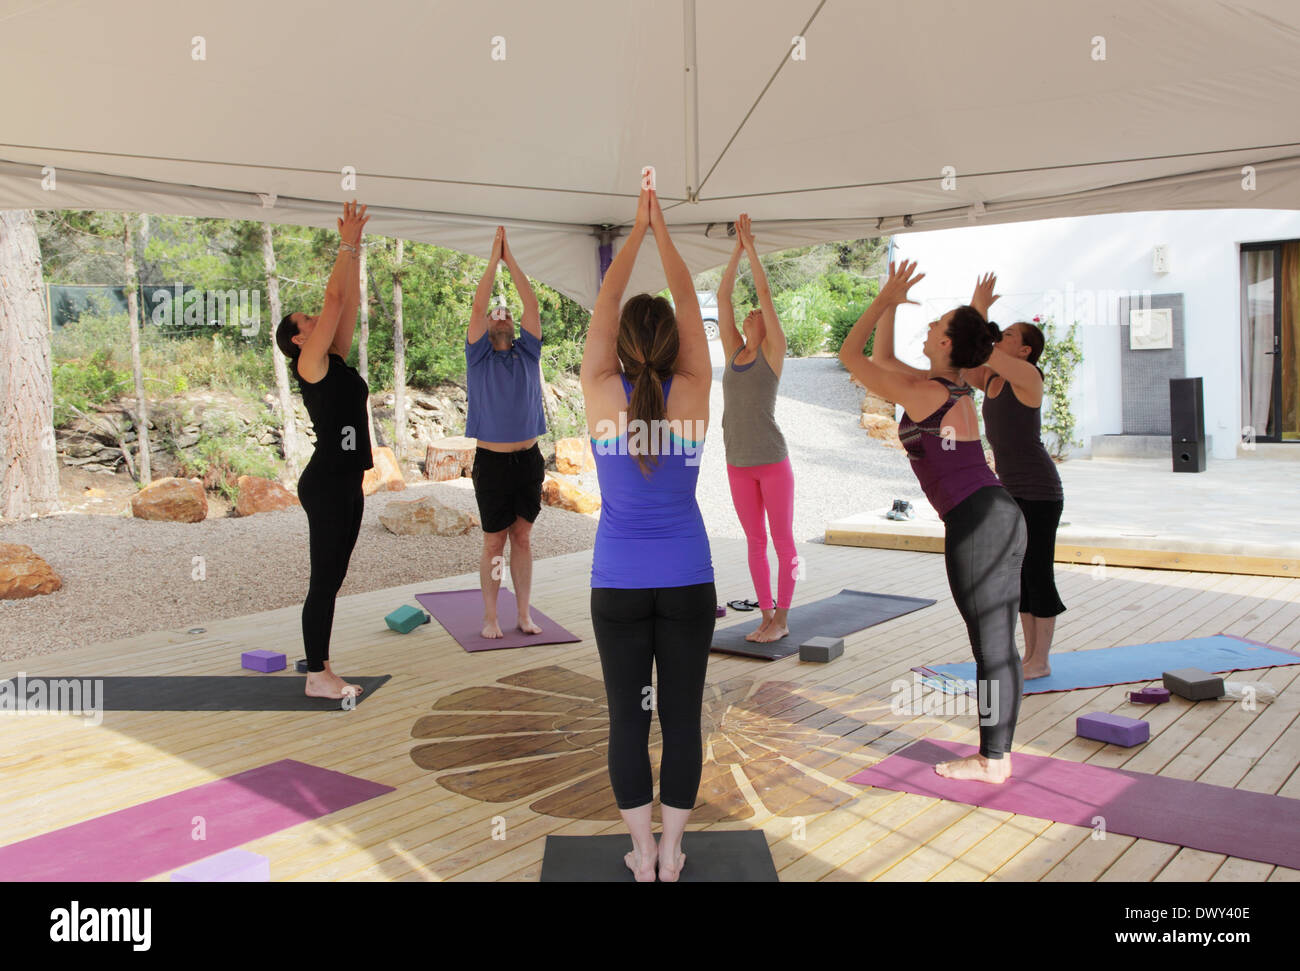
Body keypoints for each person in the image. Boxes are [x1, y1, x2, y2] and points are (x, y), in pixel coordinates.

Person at [838, 261, 1026, 784]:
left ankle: (992, 760)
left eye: (935, 325)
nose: (928, 328)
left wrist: (882, 301)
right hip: (997, 516)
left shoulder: (928, 393)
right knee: (996, 642)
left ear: (946, 345)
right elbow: (879, 357)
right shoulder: (945, 384)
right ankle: (997, 755)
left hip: (979, 523)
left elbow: (851, 356)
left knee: (990, 644)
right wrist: (894, 306)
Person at [581, 183, 715, 880]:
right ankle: (673, 848)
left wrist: (633, 231)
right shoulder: (695, 388)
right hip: (689, 582)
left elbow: (606, 305)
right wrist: (663, 233)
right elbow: (689, 302)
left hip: (620, 587)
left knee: (629, 720)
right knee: (682, 719)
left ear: (625, 345)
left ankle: (640, 852)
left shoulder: (601, 389)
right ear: (670, 343)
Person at [274, 200, 371, 701]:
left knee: (332, 580)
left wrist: (355, 256)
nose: (317, 317)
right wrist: (346, 243)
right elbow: (333, 301)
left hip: (345, 482)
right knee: (324, 581)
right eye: (307, 319)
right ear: (297, 339)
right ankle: (318, 675)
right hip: (329, 483)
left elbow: (345, 304)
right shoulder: (308, 367)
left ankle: (318, 662)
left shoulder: (333, 358)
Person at [963, 275, 1066, 680]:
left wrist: (979, 307)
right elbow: (972, 354)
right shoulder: (992, 380)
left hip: (1040, 491)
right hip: (1009, 491)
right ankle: (1030, 656)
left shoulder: (1029, 378)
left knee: (1039, 571)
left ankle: (1042, 659)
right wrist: (977, 316)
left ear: (1024, 350)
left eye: (1006, 335)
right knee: (1020, 575)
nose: (998, 338)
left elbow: (982, 345)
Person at [465, 226, 547, 639]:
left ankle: (524, 614)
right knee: (494, 541)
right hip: (493, 462)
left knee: (523, 537)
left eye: (507, 312)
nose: (501, 313)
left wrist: (510, 259)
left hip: (528, 459)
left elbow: (529, 301)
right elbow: (480, 305)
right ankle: (490, 616)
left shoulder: (527, 352)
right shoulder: (478, 356)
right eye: (495, 313)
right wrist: (491, 261)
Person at [717, 213, 795, 643]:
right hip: (737, 462)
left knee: (782, 541)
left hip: (772, 461)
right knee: (754, 542)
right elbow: (724, 297)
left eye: (757, 313)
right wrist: (734, 250)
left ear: (767, 325)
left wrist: (752, 249)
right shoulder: (733, 352)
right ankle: (765, 615)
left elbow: (762, 292)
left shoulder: (773, 352)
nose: (749, 314)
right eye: (747, 314)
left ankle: (782, 618)